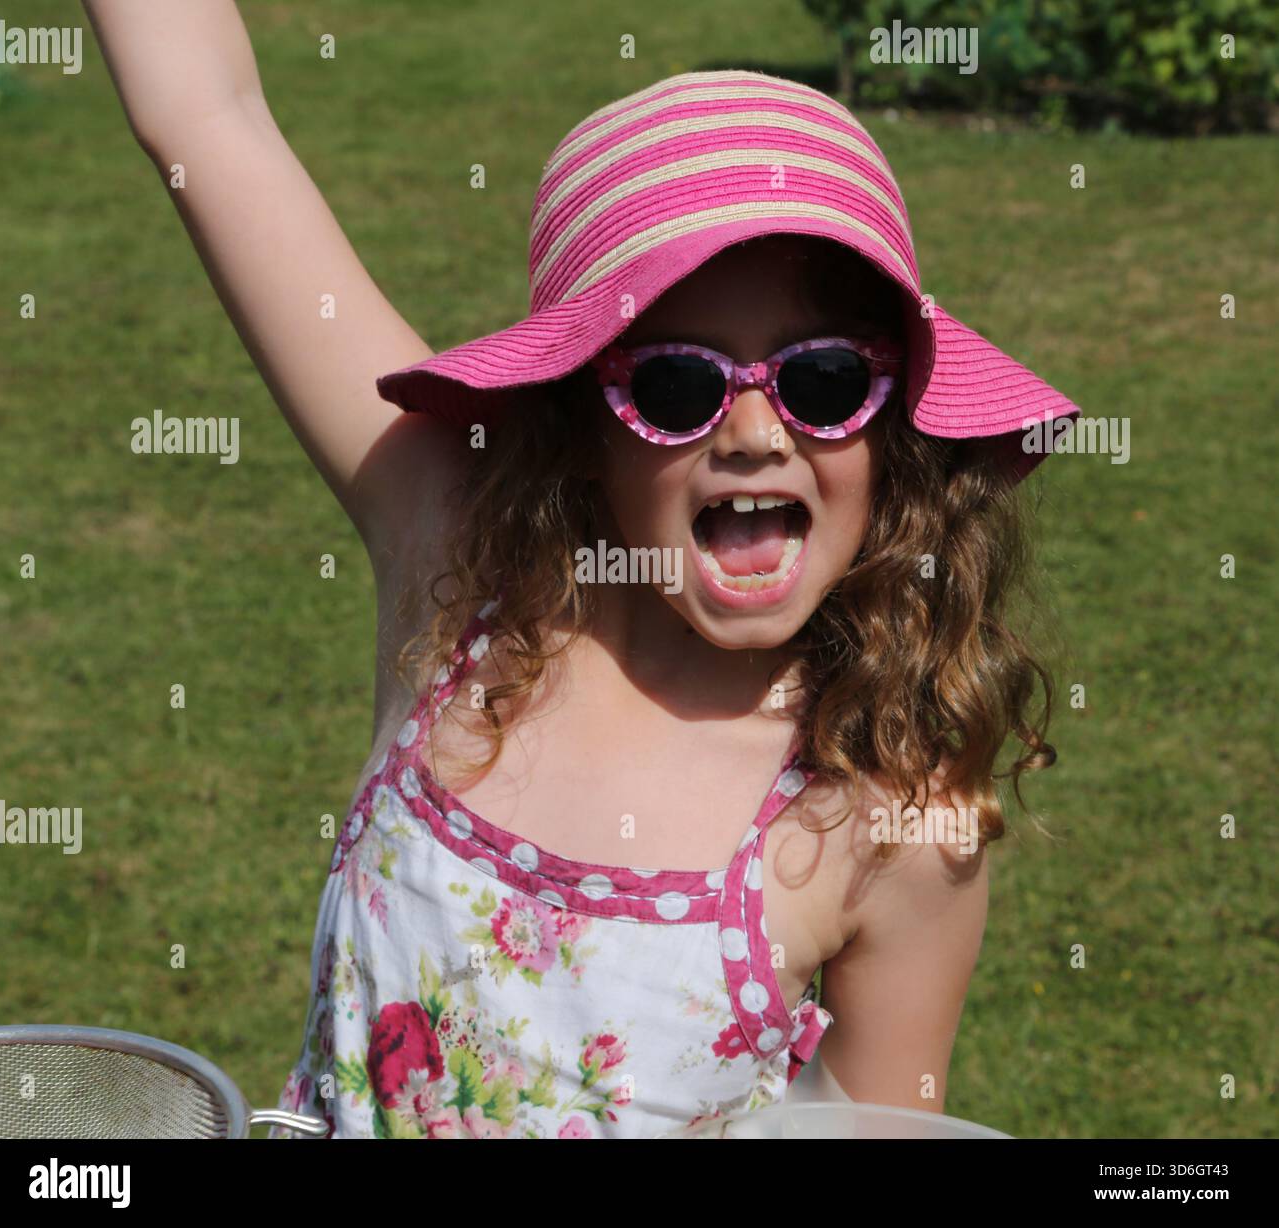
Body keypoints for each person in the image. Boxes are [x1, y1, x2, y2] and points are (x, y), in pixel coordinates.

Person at [84, 1, 1080, 1138]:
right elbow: (209, 122)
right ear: (578, 423)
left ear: (892, 426)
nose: (755, 432)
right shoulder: (462, 569)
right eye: (672, 386)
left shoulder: (888, 823)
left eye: (817, 380)